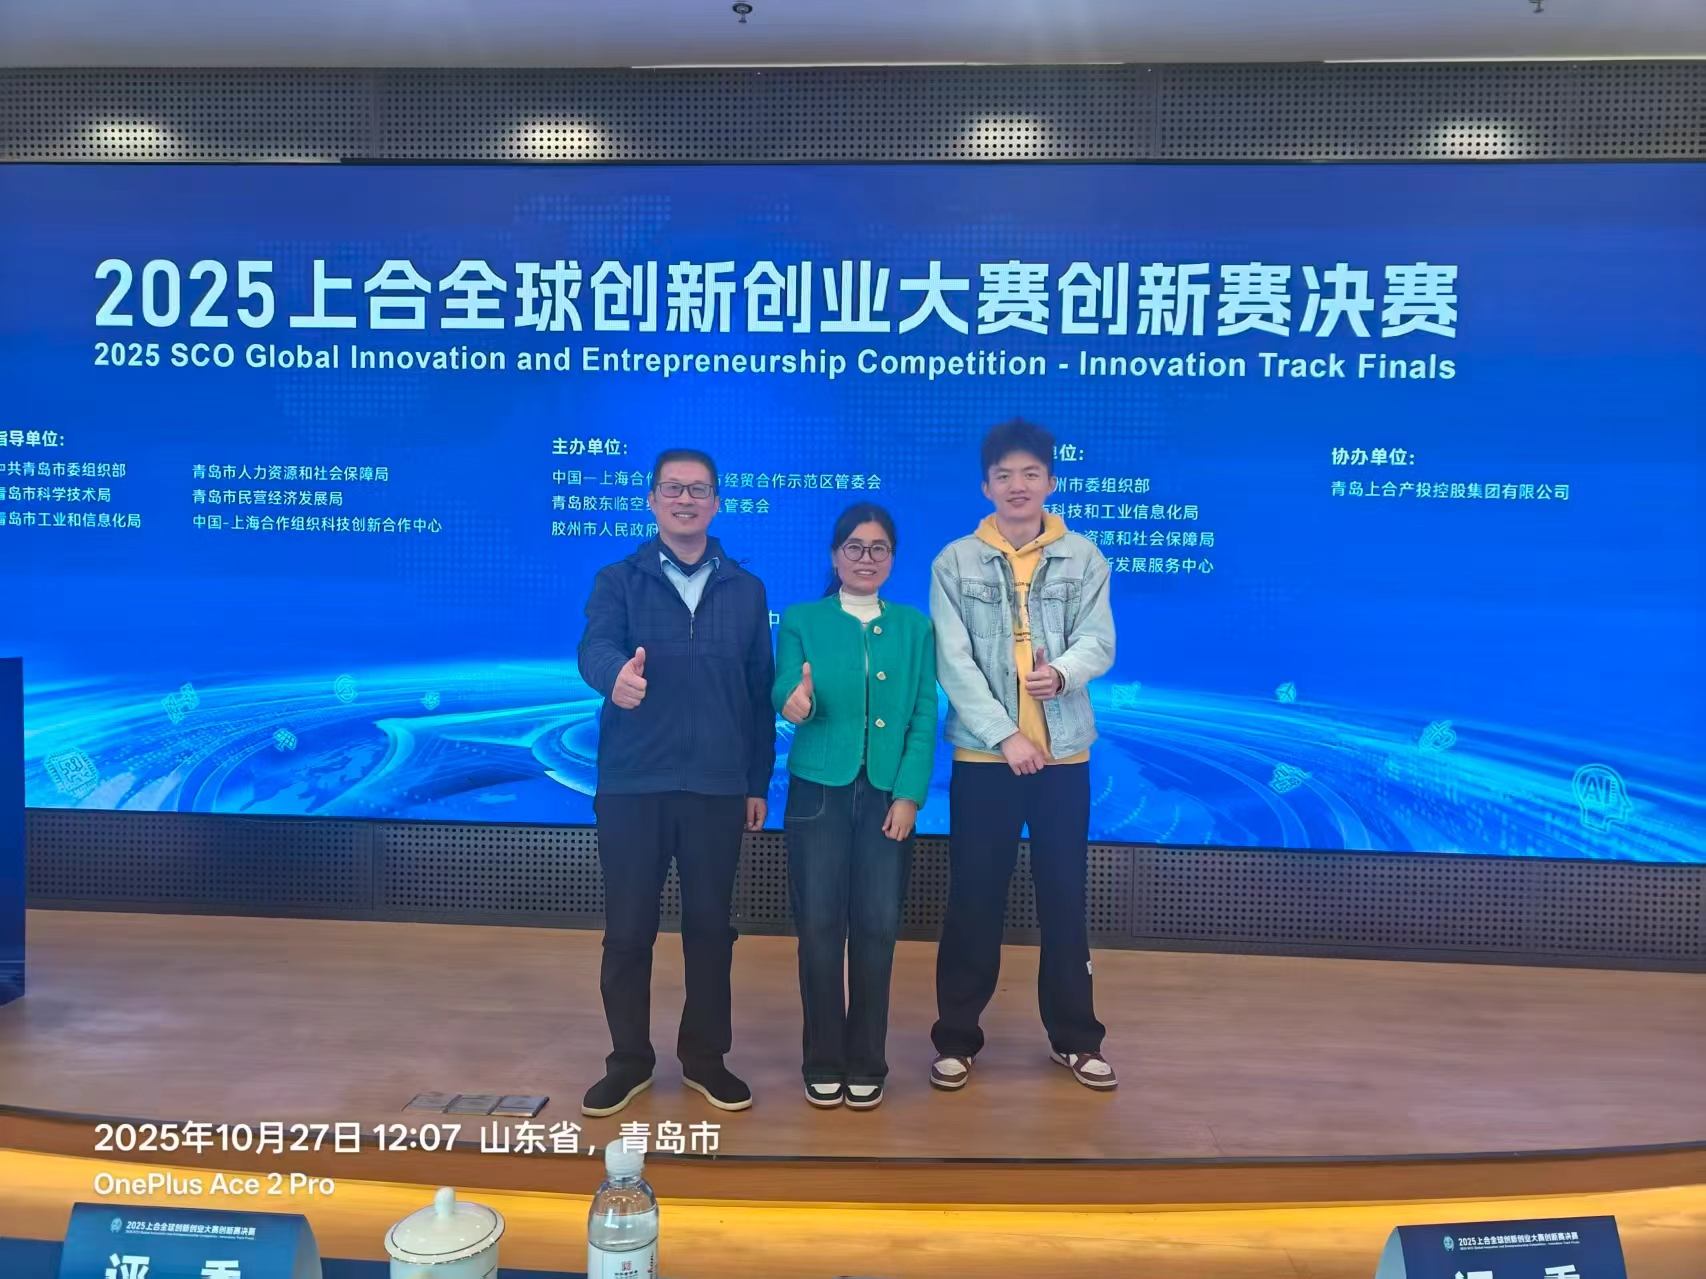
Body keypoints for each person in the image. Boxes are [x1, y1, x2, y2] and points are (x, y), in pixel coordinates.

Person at [576, 447, 776, 1118]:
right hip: (633, 784)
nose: (685, 499)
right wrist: (615, 677)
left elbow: (758, 694)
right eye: (672, 488)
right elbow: (594, 648)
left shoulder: (746, 589)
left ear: (716, 502)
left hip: (717, 787)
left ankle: (705, 1059)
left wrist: (755, 781)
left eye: (697, 489)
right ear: (652, 500)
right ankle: (628, 1061)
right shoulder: (619, 580)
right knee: (628, 931)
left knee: (711, 930)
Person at [926, 419, 1118, 1093]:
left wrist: (1061, 673)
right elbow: (952, 660)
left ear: (1050, 482)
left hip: (1064, 757)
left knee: (1064, 897)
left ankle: (1076, 1039)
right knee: (974, 897)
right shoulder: (954, 561)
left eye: (1030, 474)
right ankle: (956, 1038)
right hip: (985, 760)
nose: (1017, 485)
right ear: (986, 485)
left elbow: (1099, 640)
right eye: (1004, 475)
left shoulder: (1084, 556)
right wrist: (1003, 733)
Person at [773, 503, 937, 1111]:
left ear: (892, 558)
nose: (866, 558)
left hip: (887, 795)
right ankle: (823, 1059)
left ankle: (868, 1060)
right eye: (855, 547)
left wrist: (909, 794)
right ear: (835, 555)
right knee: (819, 927)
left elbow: (924, 715)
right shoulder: (802, 618)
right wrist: (794, 702)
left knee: (877, 927)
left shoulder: (915, 628)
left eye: (878, 549)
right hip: (818, 790)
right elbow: (784, 686)